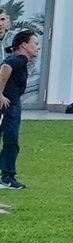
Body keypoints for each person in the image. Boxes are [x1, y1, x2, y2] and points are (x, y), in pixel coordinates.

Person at [0, 27, 37, 191]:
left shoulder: (20, 59)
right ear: (24, 45)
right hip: (8, 106)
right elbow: (5, 67)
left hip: (12, 104)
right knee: (11, 140)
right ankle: (7, 177)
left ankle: (7, 176)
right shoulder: (18, 58)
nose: (38, 47)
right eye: (35, 43)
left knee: (11, 140)